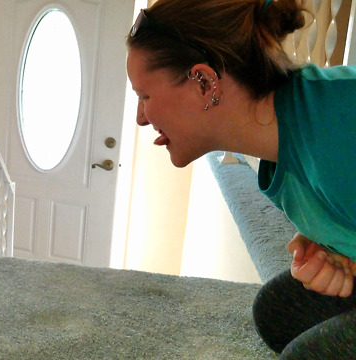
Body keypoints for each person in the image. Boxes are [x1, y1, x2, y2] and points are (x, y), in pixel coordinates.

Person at [125, 0, 356, 358]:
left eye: (145, 96)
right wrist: (336, 244)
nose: (141, 117)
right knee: (276, 312)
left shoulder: (337, 133)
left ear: (204, 82)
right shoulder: (286, 136)